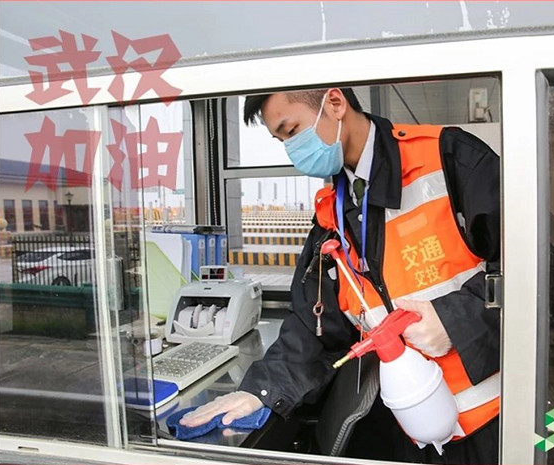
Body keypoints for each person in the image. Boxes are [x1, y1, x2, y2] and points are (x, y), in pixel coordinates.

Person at [181, 87, 503, 463]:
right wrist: (261, 391)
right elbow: (315, 325)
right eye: (282, 141)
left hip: (492, 422)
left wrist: (455, 319)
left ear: (335, 104)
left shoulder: (448, 158)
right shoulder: (332, 213)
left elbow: (542, 274)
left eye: (292, 131)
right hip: (408, 425)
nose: (292, 150)